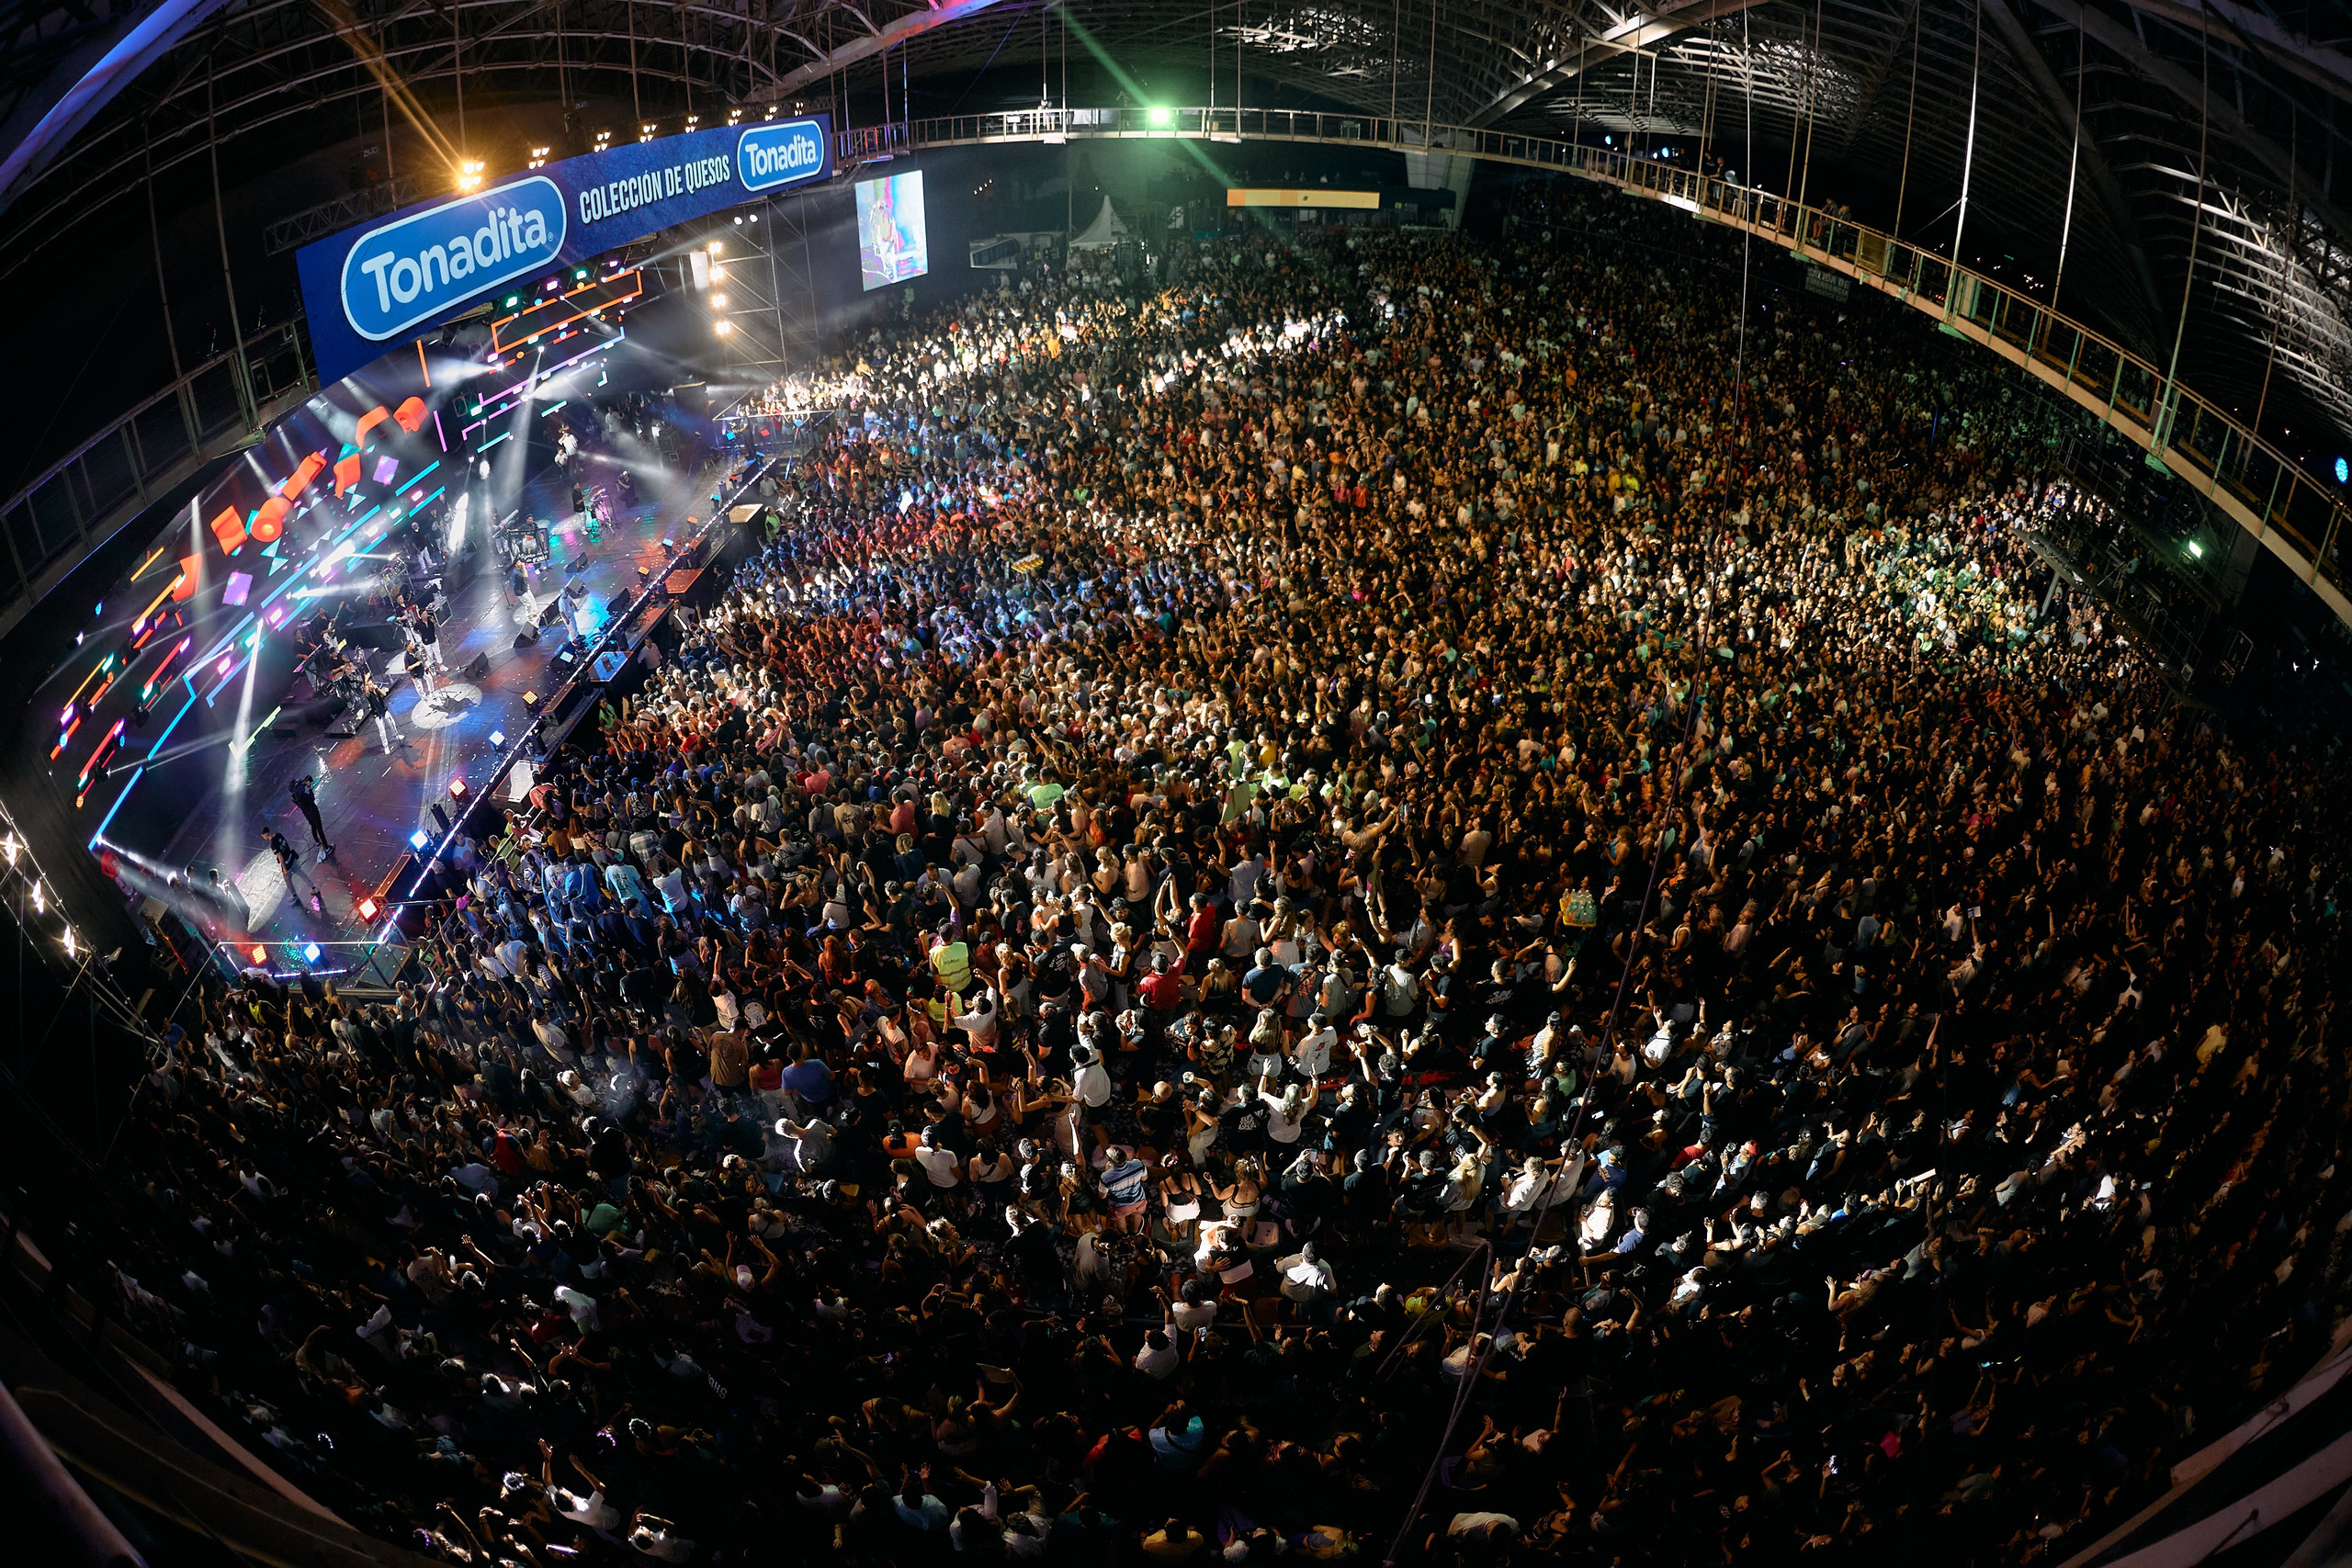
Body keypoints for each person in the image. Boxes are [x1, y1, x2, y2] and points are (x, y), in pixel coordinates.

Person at [288, 774, 334, 859]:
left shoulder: (293, 797)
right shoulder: (303, 796)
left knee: (313, 826)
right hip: (313, 811)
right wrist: (309, 788)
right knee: (319, 829)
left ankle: (317, 842)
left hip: (307, 814)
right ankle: (327, 848)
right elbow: (312, 798)